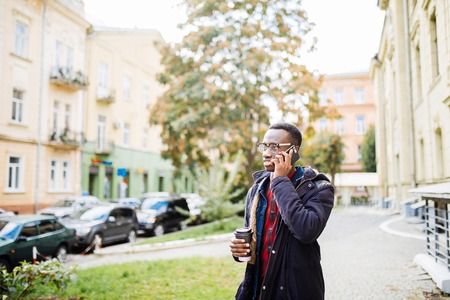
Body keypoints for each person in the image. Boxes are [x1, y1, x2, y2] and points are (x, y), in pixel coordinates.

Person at [230, 122, 335, 300]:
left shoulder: (319, 188)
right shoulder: (256, 191)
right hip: (258, 289)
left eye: (274, 147)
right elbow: (254, 240)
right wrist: (239, 250)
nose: (266, 153)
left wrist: (279, 181)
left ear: (294, 150)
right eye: (264, 146)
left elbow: (306, 230)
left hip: (295, 291)